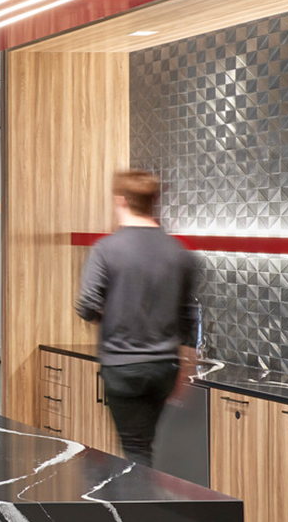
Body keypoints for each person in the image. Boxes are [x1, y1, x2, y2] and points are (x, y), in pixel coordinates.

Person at [74, 170, 199, 467]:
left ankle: (140, 508)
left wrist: (115, 312)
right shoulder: (180, 253)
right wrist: (184, 368)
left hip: (122, 367)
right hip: (164, 369)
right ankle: (145, 501)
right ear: (154, 203)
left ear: (121, 201)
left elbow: (86, 306)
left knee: (135, 449)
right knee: (145, 443)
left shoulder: (107, 249)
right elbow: (188, 319)